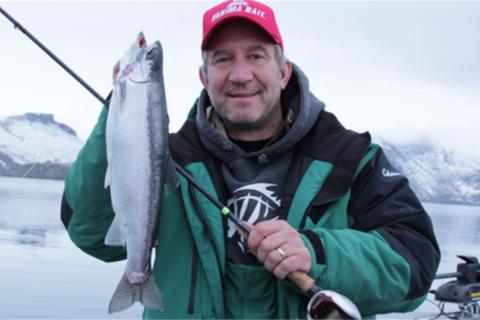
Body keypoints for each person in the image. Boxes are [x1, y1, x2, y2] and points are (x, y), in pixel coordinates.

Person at [61, 0, 440, 318]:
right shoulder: (163, 159)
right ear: (204, 78)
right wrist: (124, 111)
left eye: (255, 56)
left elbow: (415, 266)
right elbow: (90, 232)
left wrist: (318, 252)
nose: (240, 75)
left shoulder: (352, 160)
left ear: (283, 70)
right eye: (223, 59)